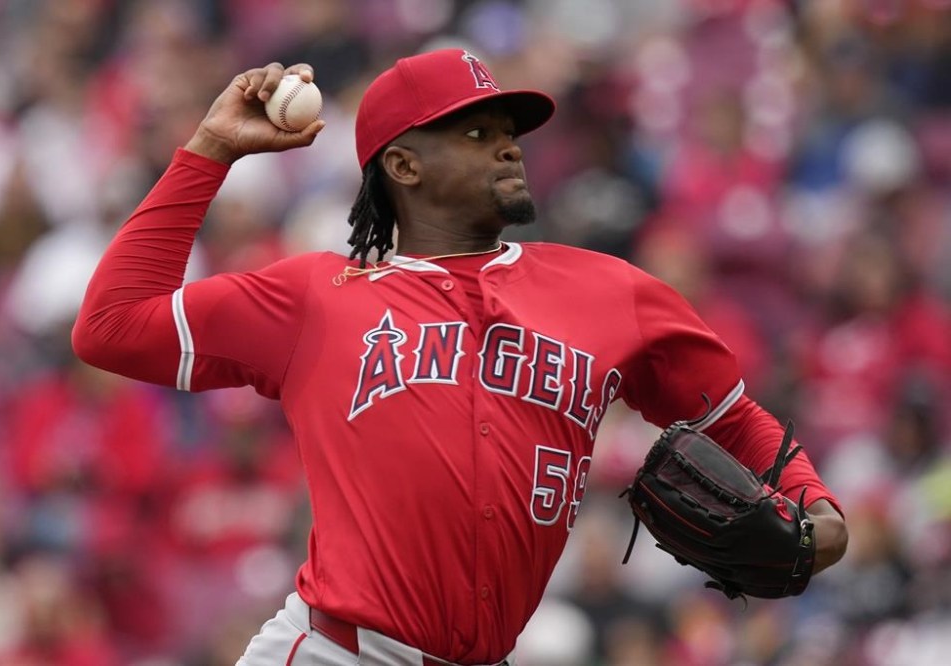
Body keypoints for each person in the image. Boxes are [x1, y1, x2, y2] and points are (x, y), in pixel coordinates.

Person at [72, 49, 848, 666]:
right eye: (475, 133)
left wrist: (817, 508)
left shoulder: (615, 293)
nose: (508, 145)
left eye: (507, 129)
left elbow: (734, 421)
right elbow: (109, 325)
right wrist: (209, 150)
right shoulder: (314, 298)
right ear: (403, 167)